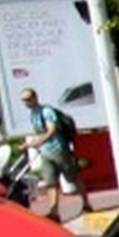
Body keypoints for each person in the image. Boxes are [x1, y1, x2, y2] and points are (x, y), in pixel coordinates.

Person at [15, 87, 82, 218]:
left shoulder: (46, 111)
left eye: (28, 99)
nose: (26, 103)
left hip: (58, 150)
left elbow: (52, 130)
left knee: (72, 178)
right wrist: (31, 143)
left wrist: (39, 141)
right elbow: (39, 133)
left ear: (35, 97)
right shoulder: (33, 114)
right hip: (45, 153)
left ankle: (85, 203)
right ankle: (54, 212)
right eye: (24, 100)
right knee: (50, 182)